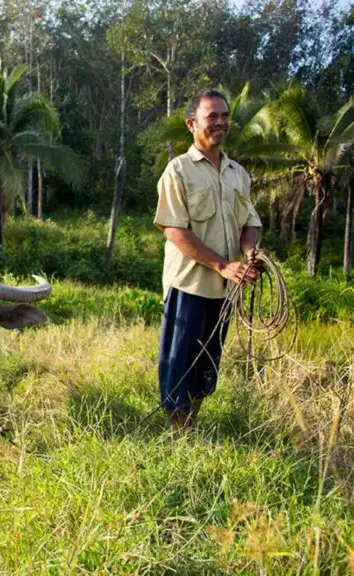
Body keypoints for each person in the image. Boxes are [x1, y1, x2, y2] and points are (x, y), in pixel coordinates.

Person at [153, 88, 262, 430]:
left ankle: (191, 426)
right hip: (190, 284)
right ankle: (176, 435)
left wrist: (248, 254)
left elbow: (250, 223)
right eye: (211, 116)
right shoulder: (178, 171)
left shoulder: (237, 174)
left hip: (225, 289)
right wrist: (222, 265)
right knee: (179, 363)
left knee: (207, 363)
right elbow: (175, 231)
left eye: (225, 115)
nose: (220, 122)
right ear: (191, 123)